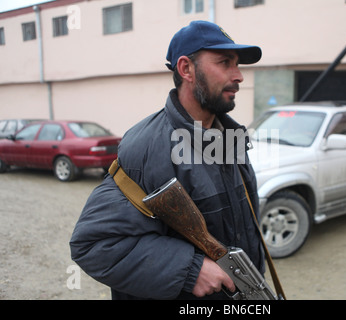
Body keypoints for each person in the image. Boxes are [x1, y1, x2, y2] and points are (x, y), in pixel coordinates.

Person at [70, 20, 264, 300]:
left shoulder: (231, 139)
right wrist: (191, 270)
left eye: (238, 65)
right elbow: (94, 244)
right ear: (186, 69)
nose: (239, 76)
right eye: (224, 62)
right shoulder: (147, 147)